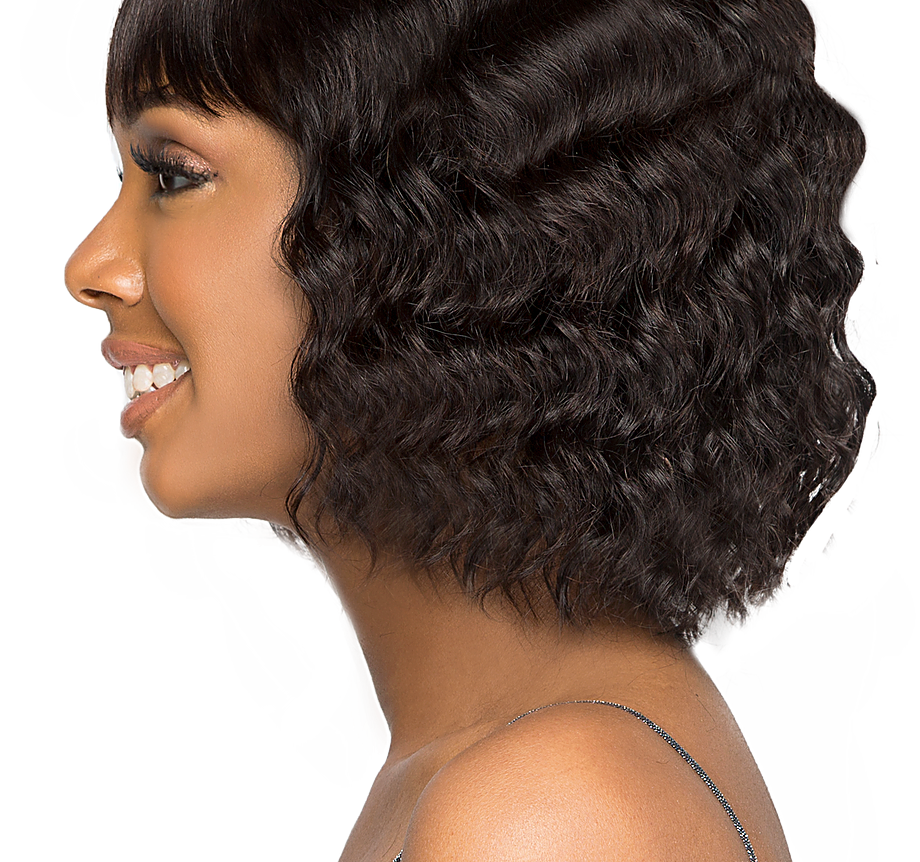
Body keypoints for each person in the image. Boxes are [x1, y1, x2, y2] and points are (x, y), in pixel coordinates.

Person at [64, 0, 874, 859]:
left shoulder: (543, 812)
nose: (90, 267)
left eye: (173, 176)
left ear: (434, 223)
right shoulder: (502, 772)